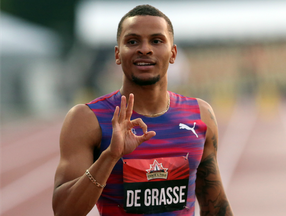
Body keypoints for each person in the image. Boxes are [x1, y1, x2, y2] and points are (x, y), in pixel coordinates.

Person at [53, 4, 233, 216]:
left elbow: (216, 205)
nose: (145, 49)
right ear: (118, 54)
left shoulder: (200, 115)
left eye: (157, 41)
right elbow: (64, 211)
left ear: (173, 53)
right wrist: (110, 156)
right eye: (132, 41)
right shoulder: (87, 119)